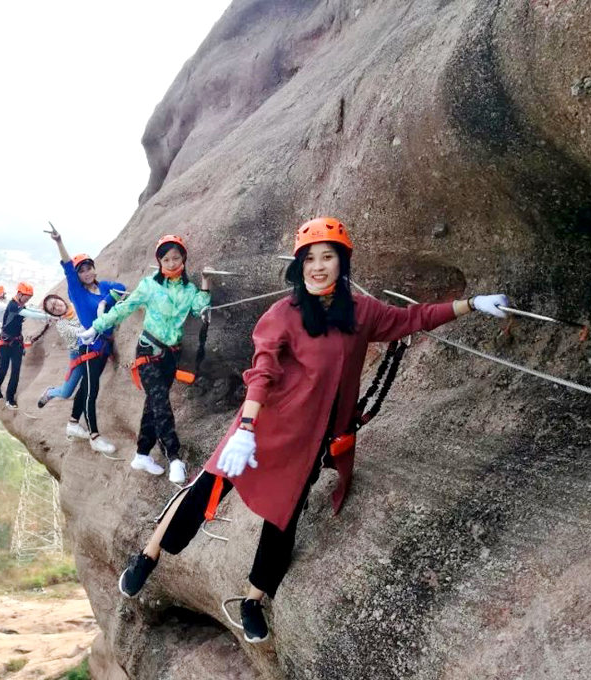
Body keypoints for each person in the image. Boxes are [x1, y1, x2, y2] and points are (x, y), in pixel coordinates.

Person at [116, 216, 510, 643]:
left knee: (283, 519)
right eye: (310, 259)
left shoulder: (361, 313)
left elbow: (412, 319)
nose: (318, 266)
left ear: (342, 264)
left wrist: (470, 304)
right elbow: (262, 369)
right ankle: (148, 556)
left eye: (328, 257)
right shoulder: (282, 314)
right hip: (261, 424)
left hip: (309, 440)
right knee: (206, 489)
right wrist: (246, 426)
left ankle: (253, 600)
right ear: (299, 266)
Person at [80, 234, 212, 484]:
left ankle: (141, 454)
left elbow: (199, 308)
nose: (172, 263)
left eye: (176, 257)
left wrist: (205, 284)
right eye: (166, 258)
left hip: (171, 356)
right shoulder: (149, 285)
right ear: (159, 260)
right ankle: (174, 457)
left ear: (183, 258)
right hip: (148, 352)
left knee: (153, 406)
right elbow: (124, 308)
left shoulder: (188, 289)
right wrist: (96, 326)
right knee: (161, 403)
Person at [46, 224, 125, 454]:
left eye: (89, 268)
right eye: (82, 271)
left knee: (84, 387)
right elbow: (67, 268)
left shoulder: (103, 286)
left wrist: (105, 302)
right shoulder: (76, 291)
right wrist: (59, 242)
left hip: (102, 346)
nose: (87, 272)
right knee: (91, 391)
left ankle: (72, 423)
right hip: (90, 346)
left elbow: (121, 288)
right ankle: (94, 436)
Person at [0, 282, 55, 409]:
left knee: (16, 371)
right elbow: (29, 314)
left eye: (29, 297)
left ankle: (10, 398)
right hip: (5, 342)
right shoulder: (13, 305)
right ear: (19, 294)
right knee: (3, 367)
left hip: (17, 343)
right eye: (26, 296)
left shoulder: (20, 304)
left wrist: (43, 311)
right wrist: (47, 316)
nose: (28, 299)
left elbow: (30, 309)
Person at [36, 300, 86, 408]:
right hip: (78, 354)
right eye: (53, 309)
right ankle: (50, 393)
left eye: (55, 302)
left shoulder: (75, 304)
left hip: (91, 348)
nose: (57, 307)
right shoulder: (62, 324)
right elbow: (80, 333)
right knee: (65, 393)